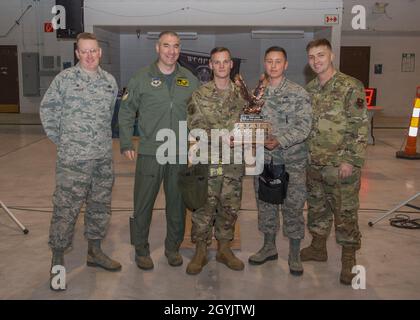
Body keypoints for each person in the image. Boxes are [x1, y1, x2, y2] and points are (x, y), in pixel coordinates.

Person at [40, 32, 121, 291]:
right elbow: (48, 110)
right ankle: (58, 259)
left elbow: (108, 115)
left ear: (100, 52)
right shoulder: (64, 80)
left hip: (102, 159)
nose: (89, 56)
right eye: (84, 51)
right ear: (77, 53)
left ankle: (94, 251)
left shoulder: (109, 82)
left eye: (93, 51)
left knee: (99, 206)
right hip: (72, 160)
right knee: (65, 210)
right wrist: (64, 140)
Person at [118, 31, 199, 270]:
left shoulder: (189, 79)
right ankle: (141, 249)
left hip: (178, 152)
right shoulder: (141, 78)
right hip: (150, 152)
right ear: (157, 48)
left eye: (175, 46)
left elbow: (198, 113)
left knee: (177, 203)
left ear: (179, 49)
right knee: (143, 203)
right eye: (166, 45)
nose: (171, 51)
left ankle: (172, 248)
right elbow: (126, 112)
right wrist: (125, 142)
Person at [301, 38, 368, 285]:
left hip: (340, 165)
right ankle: (318, 247)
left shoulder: (350, 86)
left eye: (321, 55)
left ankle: (349, 259)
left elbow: (359, 125)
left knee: (345, 212)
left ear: (331, 56)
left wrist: (350, 160)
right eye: (311, 57)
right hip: (315, 163)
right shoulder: (309, 90)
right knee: (317, 210)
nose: (316, 61)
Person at [248, 47, 312, 276]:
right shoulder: (257, 94)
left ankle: (294, 252)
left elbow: (304, 127)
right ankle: (268, 247)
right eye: (269, 61)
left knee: (293, 207)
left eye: (278, 62)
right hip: (263, 161)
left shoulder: (298, 93)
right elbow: (249, 120)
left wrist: (280, 140)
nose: (273, 66)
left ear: (285, 65)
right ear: (264, 64)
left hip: (291, 162)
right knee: (265, 205)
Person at [186, 47, 246, 274]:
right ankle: (200, 250)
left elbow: (249, 123)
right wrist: (222, 135)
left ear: (232, 64)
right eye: (216, 62)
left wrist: (246, 136)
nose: (221, 66)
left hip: (234, 161)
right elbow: (194, 127)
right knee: (204, 206)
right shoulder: (199, 95)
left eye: (225, 62)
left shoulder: (243, 95)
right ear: (210, 65)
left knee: (229, 206)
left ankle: (224, 249)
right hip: (207, 161)